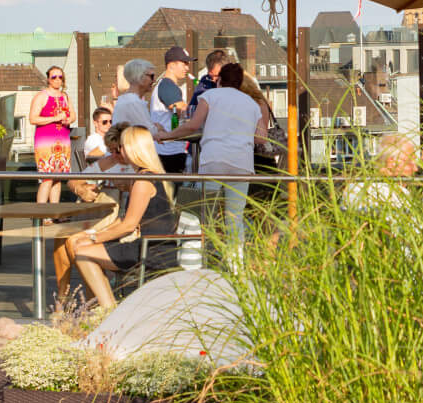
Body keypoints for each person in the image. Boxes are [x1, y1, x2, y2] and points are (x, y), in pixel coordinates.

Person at [57, 126, 178, 309]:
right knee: (80, 246)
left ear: (131, 148)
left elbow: (128, 225)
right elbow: (124, 221)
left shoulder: (142, 180)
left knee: (82, 251)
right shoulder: (146, 175)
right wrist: (92, 235)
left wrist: (92, 237)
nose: (118, 152)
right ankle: (105, 308)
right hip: (154, 246)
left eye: (121, 147)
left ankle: (107, 309)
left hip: (151, 251)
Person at [170, 61, 269, 264]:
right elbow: (261, 138)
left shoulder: (210, 96)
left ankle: (198, 262)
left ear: (220, 80)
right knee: (235, 217)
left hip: (214, 160)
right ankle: (236, 266)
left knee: (203, 214)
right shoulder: (251, 103)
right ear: (240, 82)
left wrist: (167, 135)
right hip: (242, 164)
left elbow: (193, 126)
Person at [28, 65, 74, 208]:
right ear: (48, 79)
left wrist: (68, 120)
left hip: (63, 140)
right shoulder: (42, 96)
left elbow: (73, 115)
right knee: (47, 178)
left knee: (58, 178)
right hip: (46, 142)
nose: (57, 80)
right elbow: (33, 119)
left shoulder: (65, 96)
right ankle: (42, 213)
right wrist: (55, 118)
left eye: (60, 77)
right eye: (54, 77)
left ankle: (54, 212)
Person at [153, 46, 196, 175]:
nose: (187, 68)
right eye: (184, 63)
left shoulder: (167, 85)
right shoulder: (167, 85)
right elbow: (181, 109)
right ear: (171, 65)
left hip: (169, 149)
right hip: (169, 152)